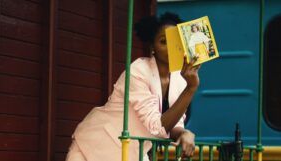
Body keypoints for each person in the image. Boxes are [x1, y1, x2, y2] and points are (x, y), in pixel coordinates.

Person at [66, 12, 201, 161]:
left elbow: (175, 123)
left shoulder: (180, 79)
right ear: (152, 46)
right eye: (164, 42)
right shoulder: (138, 71)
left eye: (175, 41)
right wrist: (191, 89)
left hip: (131, 150)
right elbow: (157, 128)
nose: (170, 48)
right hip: (96, 144)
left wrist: (184, 133)